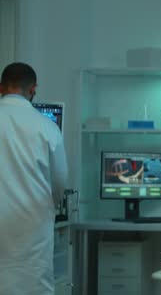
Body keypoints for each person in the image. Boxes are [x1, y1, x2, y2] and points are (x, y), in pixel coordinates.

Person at [0, 62, 68, 295]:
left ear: (1, 88)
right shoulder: (47, 127)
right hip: (31, 234)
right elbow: (59, 185)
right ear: (33, 89)